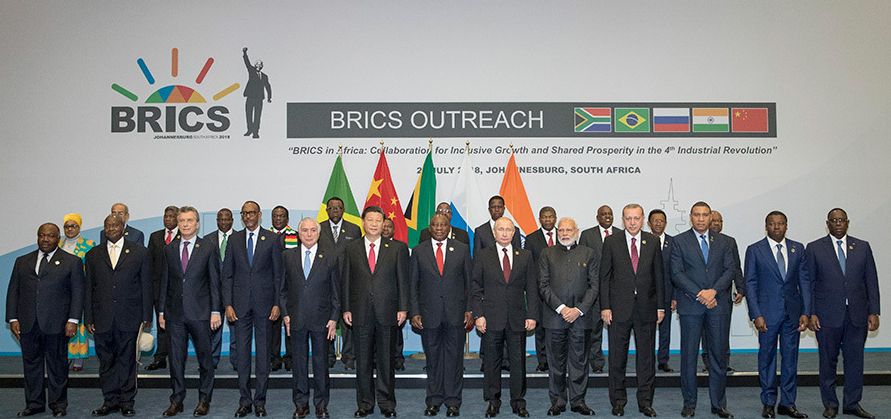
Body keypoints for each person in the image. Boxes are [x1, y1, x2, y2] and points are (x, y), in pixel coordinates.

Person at [807, 208, 881, 419]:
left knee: (855, 361)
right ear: (827, 224)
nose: (838, 223)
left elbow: (871, 280)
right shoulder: (814, 248)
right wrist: (811, 312)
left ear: (847, 223)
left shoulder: (862, 247)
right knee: (827, 362)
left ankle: (852, 403)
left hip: (857, 315)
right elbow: (809, 283)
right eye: (834, 220)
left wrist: (874, 311)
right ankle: (830, 404)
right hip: (826, 315)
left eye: (841, 220)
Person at [7, 223, 84, 418]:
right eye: (42, 235)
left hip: (57, 324)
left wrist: (73, 320)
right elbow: (13, 291)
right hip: (28, 323)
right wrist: (13, 318)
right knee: (31, 365)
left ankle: (58, 405)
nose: (45, 239)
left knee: (57, 366)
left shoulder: (71, 262)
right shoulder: (22, 261)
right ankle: (34, 404)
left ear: (58, 238)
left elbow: (78, 293)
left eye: (50, 236)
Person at [341, 206, 409, 418]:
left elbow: (403, 281)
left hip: (388, 311)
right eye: (370, 220)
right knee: (362, 361)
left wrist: (403, 307)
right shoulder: (351, 248)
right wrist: (346, 308)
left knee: (386, 361)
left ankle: (387, 403)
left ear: (383, 223)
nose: (373, 224)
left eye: (378, 220)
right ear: (363, 222)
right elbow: (346, 280)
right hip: (359, 312)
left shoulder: (397, 248)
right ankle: (365, 403)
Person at [671, 202, 736, 418]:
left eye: (705, 215)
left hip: (718, 306)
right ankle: (689, 403)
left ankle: (719, 404)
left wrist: (713, 292)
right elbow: (677, 273)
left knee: (718, 358)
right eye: (697, 215)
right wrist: (701, 294)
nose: (700, 219)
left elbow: (730, 270)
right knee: (689, 358)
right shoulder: (679, 241)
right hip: (691, 307)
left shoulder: (726, 242)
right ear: (691, 217)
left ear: (710, 217)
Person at [84, 214, 153, 417]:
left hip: (130, 316)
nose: (112, 228)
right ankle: (110, 400)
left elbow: (146, 285)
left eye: (115, 225)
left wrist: (146, 315)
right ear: (104, 228)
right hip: (102, 318)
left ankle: (126, 401)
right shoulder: (93, 254)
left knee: (127, 361)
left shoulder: (140, 252)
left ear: (123, 227)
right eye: (108, 225)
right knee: (106, 362)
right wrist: (88, 317)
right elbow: (89, 288)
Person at [744, 211, 810, 419]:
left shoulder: (798, 248)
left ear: (786, 226)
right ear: (766, 226)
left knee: (790, 360)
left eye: (780, 223)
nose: (777, 227)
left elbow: (804, 282)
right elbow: (750, 284)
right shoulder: (755, 250)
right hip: (767, 315)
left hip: (792, 314)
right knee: (767, 359)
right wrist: (756, 314)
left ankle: (788, 403)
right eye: (772, 224)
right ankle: (769, 402)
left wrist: (806, 311)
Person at [600, 205, 664, 417]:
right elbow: (604, 277)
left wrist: (660, 306)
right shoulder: (612, 241)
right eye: (629, 218)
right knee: (617, 358)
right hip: (618, 309)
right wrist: (605, 306)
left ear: (643, 219)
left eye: (636, 218)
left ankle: (645, 402)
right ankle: (618, 401)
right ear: (623, 219)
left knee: (646, 359)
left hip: (647, 308)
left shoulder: (652, 241)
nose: (633, 222)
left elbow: (659, 276)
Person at [158, 206, 222, 417]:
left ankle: (204, 399)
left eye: (190, 220)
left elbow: (215, 281)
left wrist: (215, 310)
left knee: (205, 360)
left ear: (197, 223)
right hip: (174, 314)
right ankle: (177, 400)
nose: (185, 224)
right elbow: (165, 282)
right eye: (182, 220)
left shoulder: (208, 247)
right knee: (176, 360)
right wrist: (161, 311)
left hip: (201, 314)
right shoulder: (169, 249)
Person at [472, 217, 539, 418]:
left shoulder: (525, 256)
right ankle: (493, 402)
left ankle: (518, 402)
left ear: (514, 233)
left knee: (518, 363)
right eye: (500, 229)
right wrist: (478, 315)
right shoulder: (483, 255)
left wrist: (532, 315)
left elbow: (532, 288)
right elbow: (476, 288)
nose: (504, 233)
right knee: (492, 362)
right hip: (491, 318)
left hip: (518, 318)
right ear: (494, 232)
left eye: (508, 230)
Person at [222, 201, 283, 418]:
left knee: (263, 356)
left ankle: (260, 401)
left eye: (252, 213)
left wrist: (277, 303)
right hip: (239, 307)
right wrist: (227, 304)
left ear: (259, 215)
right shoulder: (234, 239)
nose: (248, 216)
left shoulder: (272, 239)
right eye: (245, 213)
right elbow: (227, 274)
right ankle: (245, 400)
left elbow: (278, 275)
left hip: (265, 306)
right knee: (242, 355)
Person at [410, 214, 473, 417]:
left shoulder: (462, 249)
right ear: (430, 228)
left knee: (454, 360)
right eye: (435, 225)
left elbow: (469, 283)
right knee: (433, 360)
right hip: (429, 315)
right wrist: (415, 311)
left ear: (449, 227)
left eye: (443, 225)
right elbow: (413, 284)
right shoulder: (419, 251)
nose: (439, 228)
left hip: (456, 314)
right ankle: (434, 400)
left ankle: (453, 401)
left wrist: (469, 310)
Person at [538, 217, 598, 416]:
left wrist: (578, 310)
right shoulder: (547, 254)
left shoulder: (588, 253)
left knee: (579, 362)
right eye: (561, 230)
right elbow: (543, 285)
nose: (564, 234)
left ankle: (578, 401)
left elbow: (594, 286)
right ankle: (558, 401)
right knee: (556, 363)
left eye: (568, 230)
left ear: (576, 231)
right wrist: (562, 308)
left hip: (581, 318)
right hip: (555, 317)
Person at [281, 218, 340, 419]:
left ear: (319, 233)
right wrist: (285, 315)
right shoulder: (287, 256)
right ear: (298, 234)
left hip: (322, 319)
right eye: (304, 230)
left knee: (321, 364)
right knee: (298, 364)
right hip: (295, 319)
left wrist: (334, 318)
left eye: (313, 230)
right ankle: (301, 404)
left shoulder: (330, 256)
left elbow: (336, 291)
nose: (308, 234)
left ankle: (321, 405)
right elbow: (282, 290)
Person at [319, 197, 361, 369]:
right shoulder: (318, 228)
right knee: (326, 320)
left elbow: (358, 256)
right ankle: (328, 355)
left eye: (338, 207)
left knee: (348, 320)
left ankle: (349, 356)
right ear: (327, 210)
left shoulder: (354, 229)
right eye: (331, 207)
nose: (335, 210)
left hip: (348, 282)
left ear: (343, 210)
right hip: (325, 283)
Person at [701, 210, 744, 374]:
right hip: (703, 295)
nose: (716, 223)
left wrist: (740, 288)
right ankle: (708, 362)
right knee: (705, 331)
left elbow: (736, 267)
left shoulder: (729, 242)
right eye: (713, 221)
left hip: (723, 294)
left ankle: (724, 362)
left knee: (723, 331)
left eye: (719, 221)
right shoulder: (698, 242)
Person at [578, 205, 620, 373]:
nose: (607, 217)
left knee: (617, 330)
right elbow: (581, 261)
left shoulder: (620, 234)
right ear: (597, 217)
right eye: (603, 214)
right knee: (594, 329)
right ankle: (596, 363)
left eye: (610, 214)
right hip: (594, 289)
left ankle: (617, 364)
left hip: (616, 291)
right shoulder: (587, 235)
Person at [59, 213, 95, 372]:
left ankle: (78, 359)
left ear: (79, 227)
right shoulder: (57, 243)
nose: (69, 229)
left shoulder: (89, 244)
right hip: (60, 291)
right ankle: (63, 356)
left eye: (73, 226)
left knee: (78, 324)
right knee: (60, 324)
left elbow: (92, 269)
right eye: (67, 226)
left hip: (80, 289)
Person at [523, 206, 557, 373]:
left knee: (559, 329)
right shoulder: (532, 238)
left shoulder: (564, 234)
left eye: (551, 217)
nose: (548, 220)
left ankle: (559, 361)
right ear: (540, 219)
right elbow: (528, 265)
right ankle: (543, 362)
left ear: (555, 218)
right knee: (541, 329)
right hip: (539, 292)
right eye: (545, 217)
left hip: (561, 291)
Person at [146, 206, 179, 371]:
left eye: (172, 216)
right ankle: (160, 358)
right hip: (158, 290)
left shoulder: (185, 236)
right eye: (166, 216)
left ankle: (176, 358)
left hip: (178, 291)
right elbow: (149, 263)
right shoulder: (155, 236)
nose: (168, 219)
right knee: (161, 325)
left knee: (178, 327)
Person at [203, 208, 236, 370]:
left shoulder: (239, 238)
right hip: (213, 291)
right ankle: (211, 361)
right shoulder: (207, 240)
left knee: (236, 330)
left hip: (235, 292)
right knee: (213, 328)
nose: (224, 222)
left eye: (227, 219)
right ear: (217, 221)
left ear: (232, 221)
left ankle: (237, 362)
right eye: (220, 219)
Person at [269, 205, 298, 372]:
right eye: (275, 216)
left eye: (281, 216)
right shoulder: (265, 236)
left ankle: (290, 357)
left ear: (287, 218)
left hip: (290, 287)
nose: (278, 218)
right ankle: (274, 358)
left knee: (290, 323)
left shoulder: (295, 235)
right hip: (271, 288)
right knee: (273, 325)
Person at [648, 209, 676, 373]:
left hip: (667, 293)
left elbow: (676, 272)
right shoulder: (643, 241)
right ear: (649, 223)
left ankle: (663, 360)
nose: (658, 223)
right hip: (647, 295)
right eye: (655, 220)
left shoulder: (673, 242)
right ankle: (648, 360)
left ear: (665, 223)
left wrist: (675, 296)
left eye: (661, 220)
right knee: (648, 331)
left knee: (665, 331)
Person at [381, 217, 407, 370]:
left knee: (396, 333)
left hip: (395, 299)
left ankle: (397, 359)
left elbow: (404, 276)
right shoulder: (370, 247)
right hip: (376, 299)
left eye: (389, 227)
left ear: (394, 230)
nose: (385, 229)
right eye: (383, 226)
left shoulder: (400, 247)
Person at [242, 47, 272, 139]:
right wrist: (245, 53)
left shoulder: (265, 76)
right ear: (255, 65)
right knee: (248, 114)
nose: (259, 66)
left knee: (257, 116)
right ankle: (249, 130)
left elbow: (268, 86)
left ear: (262, 66)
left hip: (259, 99)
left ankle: (255, 132)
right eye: (257, 64)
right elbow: (247, 63)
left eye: (260, 64)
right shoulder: (251, 71)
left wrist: (269, 97)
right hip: (250, 97)